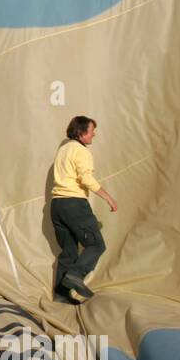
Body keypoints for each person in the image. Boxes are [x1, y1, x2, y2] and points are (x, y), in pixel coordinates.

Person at [49, 116, 118, 301]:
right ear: (80, 132)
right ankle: (75, 276)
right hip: (74, 204)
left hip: (57, 205)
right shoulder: (81, 151)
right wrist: (108, 198)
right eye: (91, 131)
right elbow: (86, 179)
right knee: (96, 245)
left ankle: (61, 297)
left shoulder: (63, 150)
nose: (94, 134)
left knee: (69, 252)